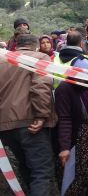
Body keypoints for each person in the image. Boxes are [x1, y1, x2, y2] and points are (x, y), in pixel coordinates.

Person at [0, 34, 57, 196]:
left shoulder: (3, 60)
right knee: (41, 172)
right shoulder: (40, 57)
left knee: (25, 167)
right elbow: (40, 86)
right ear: (35, 46)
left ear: (16, 46)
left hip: (6, 126)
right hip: (31, 123)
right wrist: (41, 115)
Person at [54, 68, 88, 195]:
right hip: (74, 142)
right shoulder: (65, 88)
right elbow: (64, 118)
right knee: (73, 179)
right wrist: (65, 147)